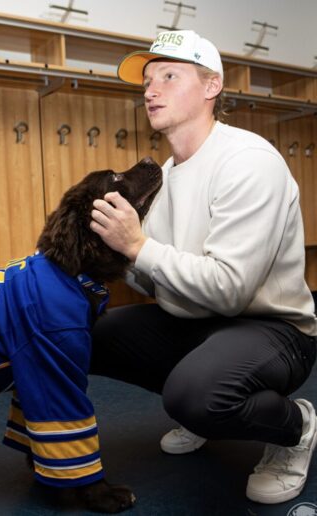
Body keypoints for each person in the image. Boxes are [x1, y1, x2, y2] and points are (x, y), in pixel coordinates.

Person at [89, 29, 317, 504]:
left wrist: (137, 244)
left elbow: (230, 289)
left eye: (169, 77)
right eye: (148, 81)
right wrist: (114, 252)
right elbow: (157, 271)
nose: (150, 90)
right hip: (197, 320)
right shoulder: (166, 175)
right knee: (88, 334)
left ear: (211, 86)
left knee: (197, 395)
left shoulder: (248, 161)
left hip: (273, 329)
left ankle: (295, 427)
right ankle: (203, 410)